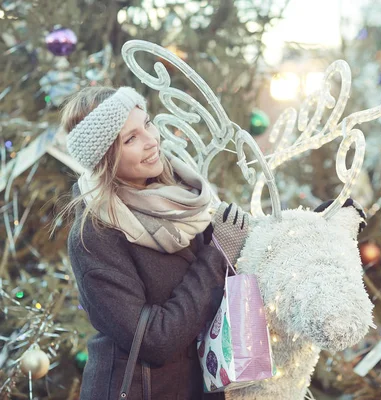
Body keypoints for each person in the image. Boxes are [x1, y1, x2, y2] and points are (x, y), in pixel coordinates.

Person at [56, 86, 247, 399]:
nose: (151, 140)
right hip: (140, 390)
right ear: (105, 158)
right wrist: (216, 257)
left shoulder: (182, 198)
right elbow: (155, 340)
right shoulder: (94, 236)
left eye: (146, 124)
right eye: (130, 138)